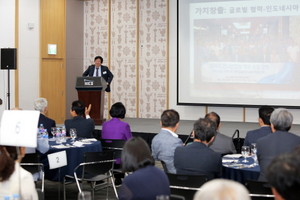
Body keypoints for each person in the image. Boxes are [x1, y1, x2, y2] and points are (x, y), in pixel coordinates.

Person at [257, 108, 300, 181]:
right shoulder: (298, 141)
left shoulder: (261, 142)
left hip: (263, 186)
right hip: (290, 187)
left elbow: (260, 163)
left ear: (272, 125)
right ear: (291, 126)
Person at [101, 102, 132, 185]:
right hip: (120, 160)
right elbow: (130, 140)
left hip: (107, 158)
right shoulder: (124, 125)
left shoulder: (105, 124)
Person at [151, 109, 183, 174]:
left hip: (159, 174)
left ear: (160, 123)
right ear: (177, 125)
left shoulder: (155, 139)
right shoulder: (177, 141)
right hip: (174, 175)